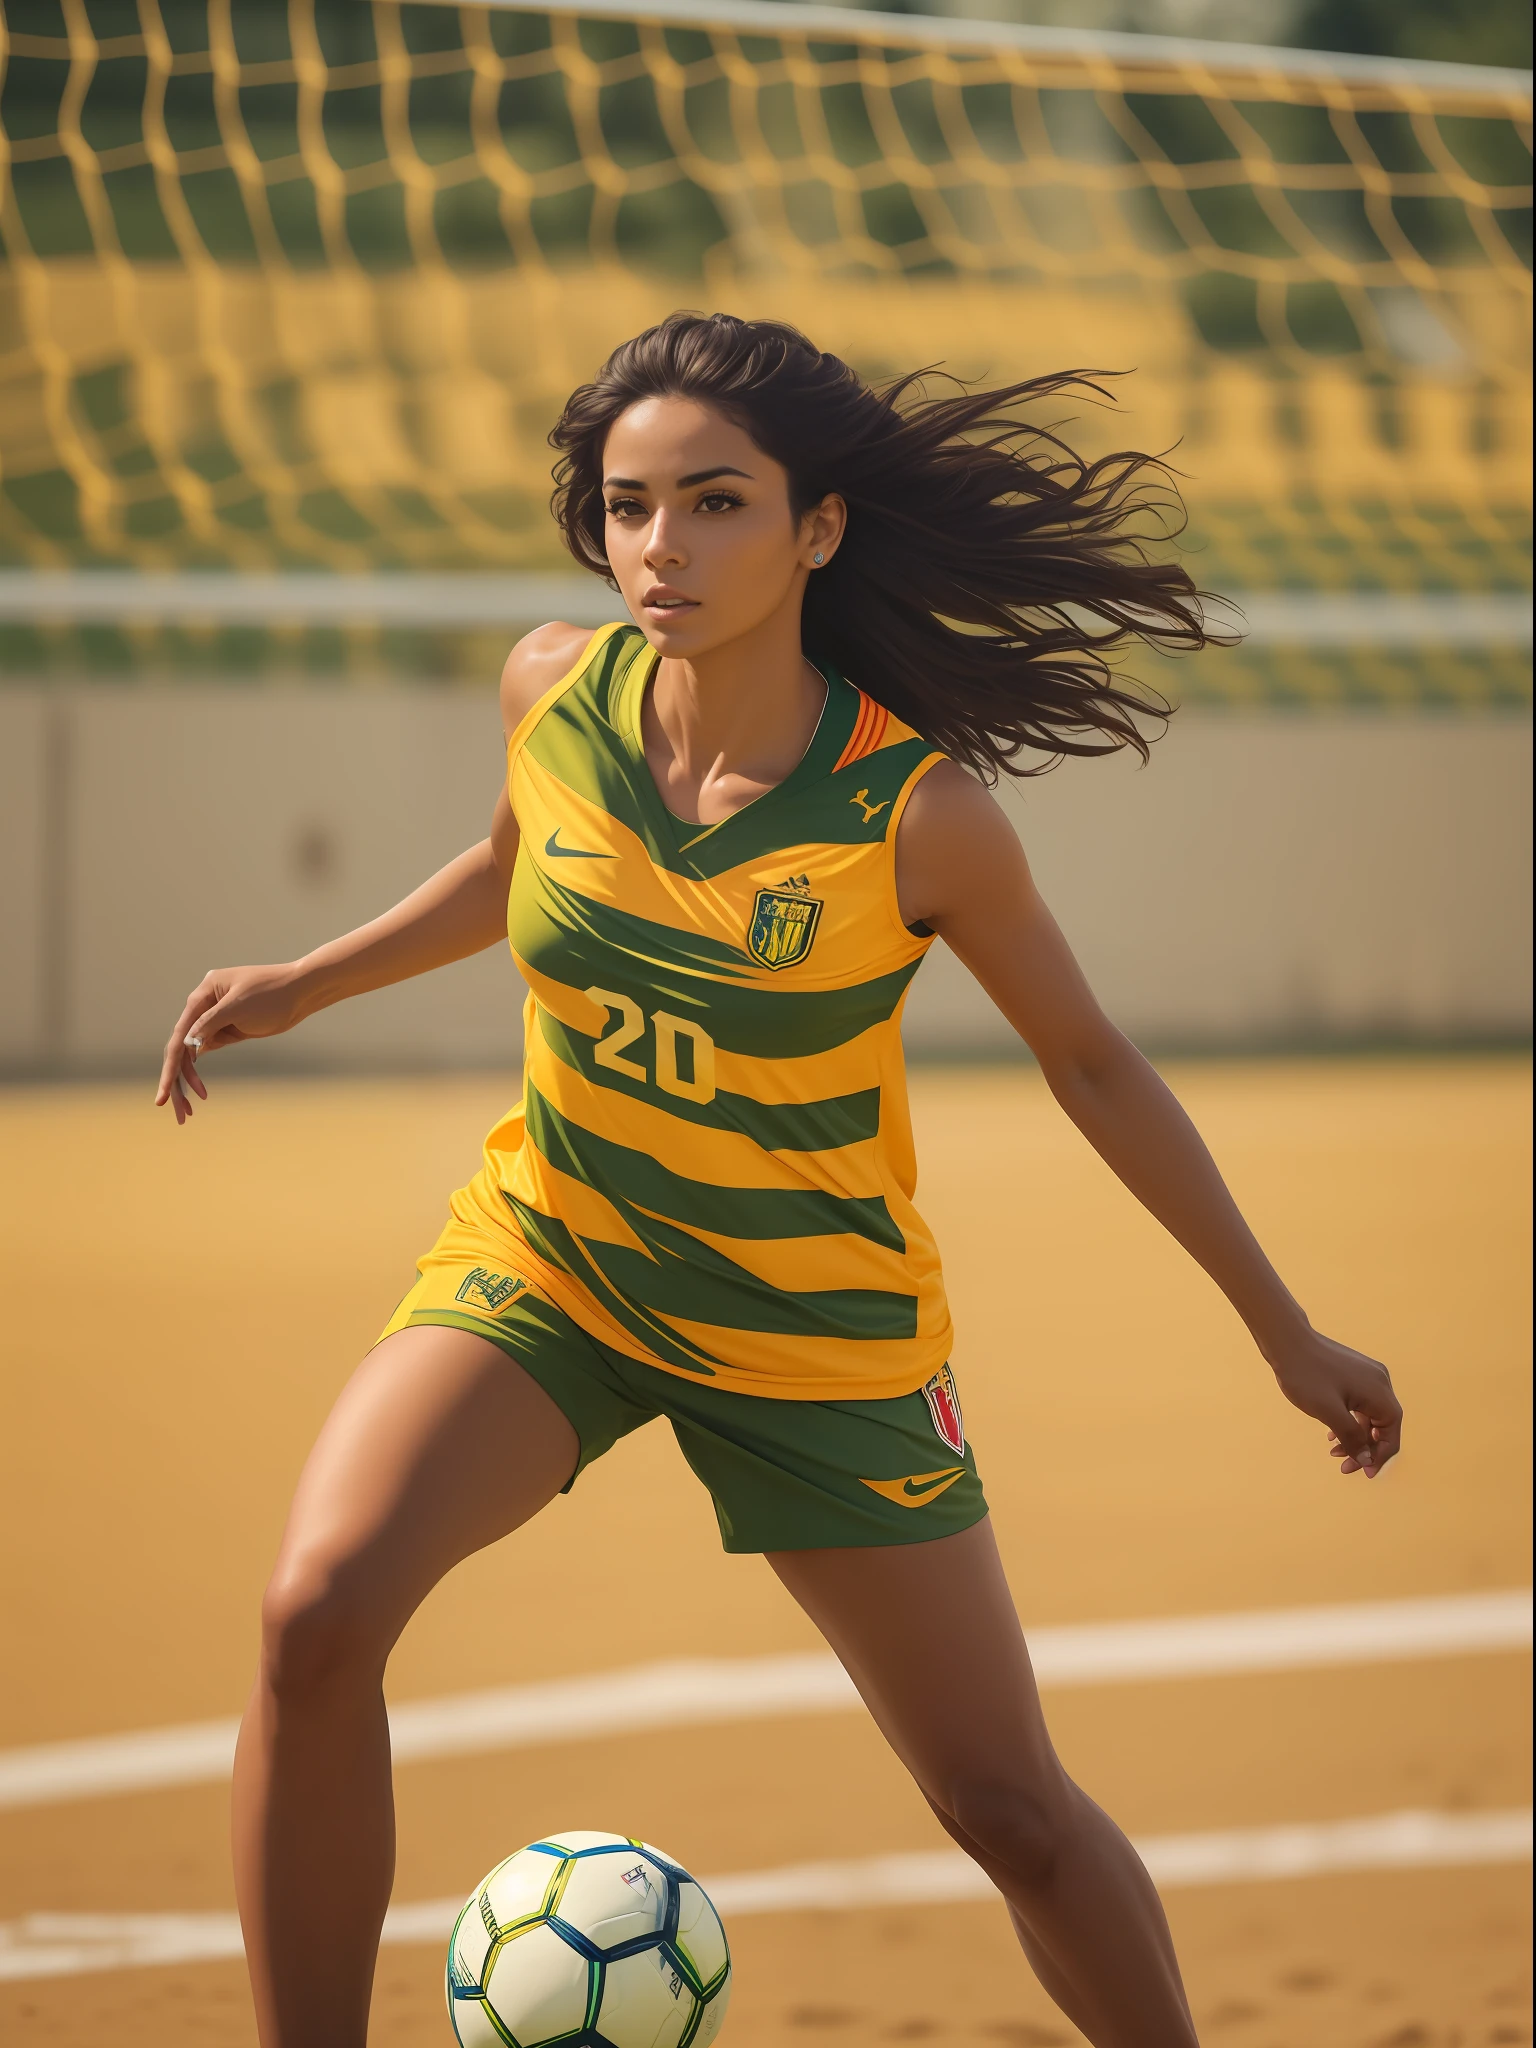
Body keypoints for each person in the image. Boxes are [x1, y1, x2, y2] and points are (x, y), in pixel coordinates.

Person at [156, 313, 1402, 2048]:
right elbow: (508, 865)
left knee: (1009, 1811)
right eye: (629, 506)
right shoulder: (552, 687)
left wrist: (1284, 1329)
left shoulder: (919, 817)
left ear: (819, 528)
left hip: (815, 1336)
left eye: (718, 503)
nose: (661, 547)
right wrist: (310, 976)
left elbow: (1096, 1067)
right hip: (561, 1258)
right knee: (312, 1613)